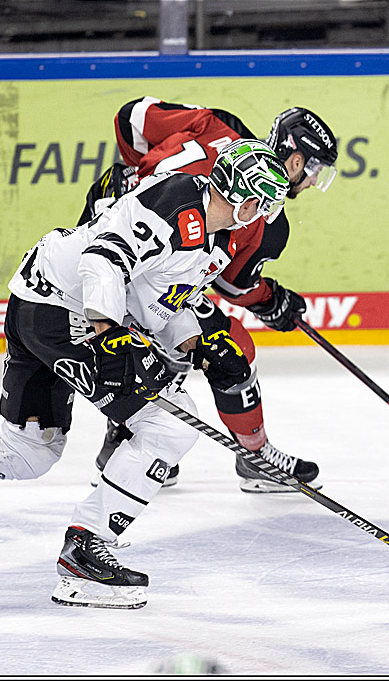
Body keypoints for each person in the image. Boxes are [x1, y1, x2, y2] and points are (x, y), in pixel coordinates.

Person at [0, 139, 291, 609]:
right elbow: (103, 258)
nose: (263, 213)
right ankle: (85, 552)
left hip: (42, 298)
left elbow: (164, 298)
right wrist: (109, 332)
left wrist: (202, 345)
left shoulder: (209, 235)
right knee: (169, 425)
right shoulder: (176, 203)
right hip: (66, 311)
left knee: (27, 449)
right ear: (243, 195)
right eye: (263, 200)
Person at [80, 97, 339, 493]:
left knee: (167, 334)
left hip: (99, 249)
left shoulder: (217, 123)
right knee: (229, 346)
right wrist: (272, 301)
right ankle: (254, 456)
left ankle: (123, 440)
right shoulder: (269, 220)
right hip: (141, 273)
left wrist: (137, 176)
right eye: (314, 170)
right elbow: (230, 283)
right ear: (297, 161)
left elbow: (130, 118)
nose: (310, 182)